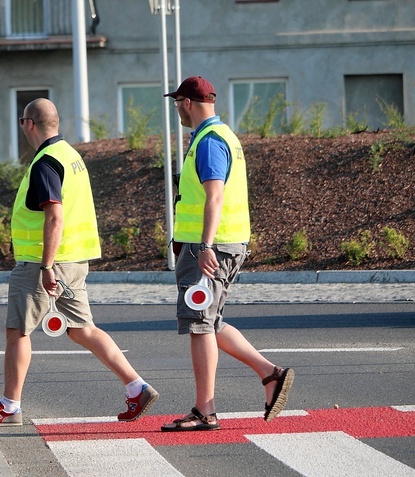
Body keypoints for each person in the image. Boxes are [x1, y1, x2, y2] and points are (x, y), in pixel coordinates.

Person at [0, 98, 158, 427]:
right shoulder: (71, 156)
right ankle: (136, 386)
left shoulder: (45, 162)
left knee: (18, 332)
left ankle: (9, 406)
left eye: (21, 121)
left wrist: (45, 266)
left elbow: (54, 217)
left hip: (44, 264)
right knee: (82, 329)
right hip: (73, 260)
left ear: (29, 124)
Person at [160, 76, 294, 431]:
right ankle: (270, 374)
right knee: (211, 321)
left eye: (177, 103)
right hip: (225, 243)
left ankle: (205, 411)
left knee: (200, 324)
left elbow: (214, 196)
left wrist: (204, 245)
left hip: (211, 247)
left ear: (188, 102)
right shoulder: (225, 137)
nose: (176, 109)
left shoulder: (208, 142)